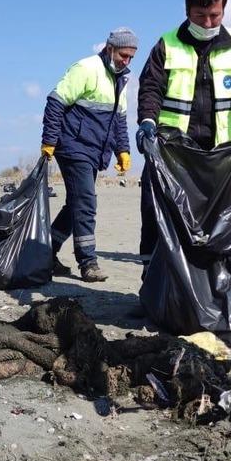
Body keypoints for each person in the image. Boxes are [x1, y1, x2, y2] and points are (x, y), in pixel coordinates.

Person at [134, 0, 231, 264]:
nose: (207, 23)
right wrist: (147, 120)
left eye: (214, 16)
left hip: (222, 155)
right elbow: (151, 88)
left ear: (223, 11)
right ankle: (153, 284)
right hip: (173, 152)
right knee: (156, 211)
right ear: (187, 11)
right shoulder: (166, 45)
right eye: (200, 16)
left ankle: (212, 289)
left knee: (217, 220)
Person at [40, 28, 137, 282]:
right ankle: (88, 262)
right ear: (110, 48)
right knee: (86, 202)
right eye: (123, 55)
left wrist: (123, 150)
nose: (125, 61)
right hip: (72, 145)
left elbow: (119, 121)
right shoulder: (86, 68)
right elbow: (55, 102)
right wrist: (49, 141)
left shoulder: (121, 80)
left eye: (130, 58)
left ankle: (46, 251)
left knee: (76, 204)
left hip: (95, 150)